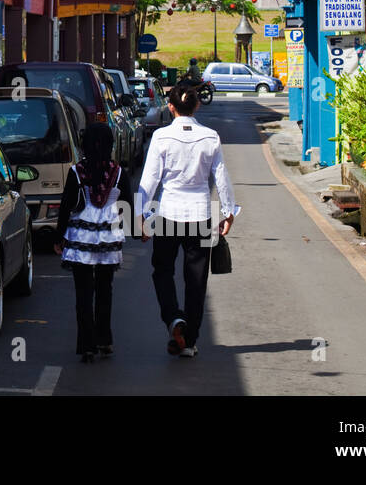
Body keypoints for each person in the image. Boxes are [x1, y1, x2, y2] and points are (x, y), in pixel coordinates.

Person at [136, 78, 238, 359]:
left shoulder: (160, 137)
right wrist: (229, 211)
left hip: (168, 213)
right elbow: (221, 178)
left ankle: (173, 318)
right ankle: (190, 341)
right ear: (197, 106)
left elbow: (149, 179)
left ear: (170, 108)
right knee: (196, 280)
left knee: (162, 270)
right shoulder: (210, 137)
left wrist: (140, 217)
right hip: (201, 215)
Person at [54, 122, 125, 363]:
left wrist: (59, 237)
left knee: (83, 293)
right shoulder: (118, 172)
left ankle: (86, 345)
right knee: (106, 289)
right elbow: (126, 204)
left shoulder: (77, 171)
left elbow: (65, 207)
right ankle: (104, 339)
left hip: (80, 237)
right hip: (108, 237)